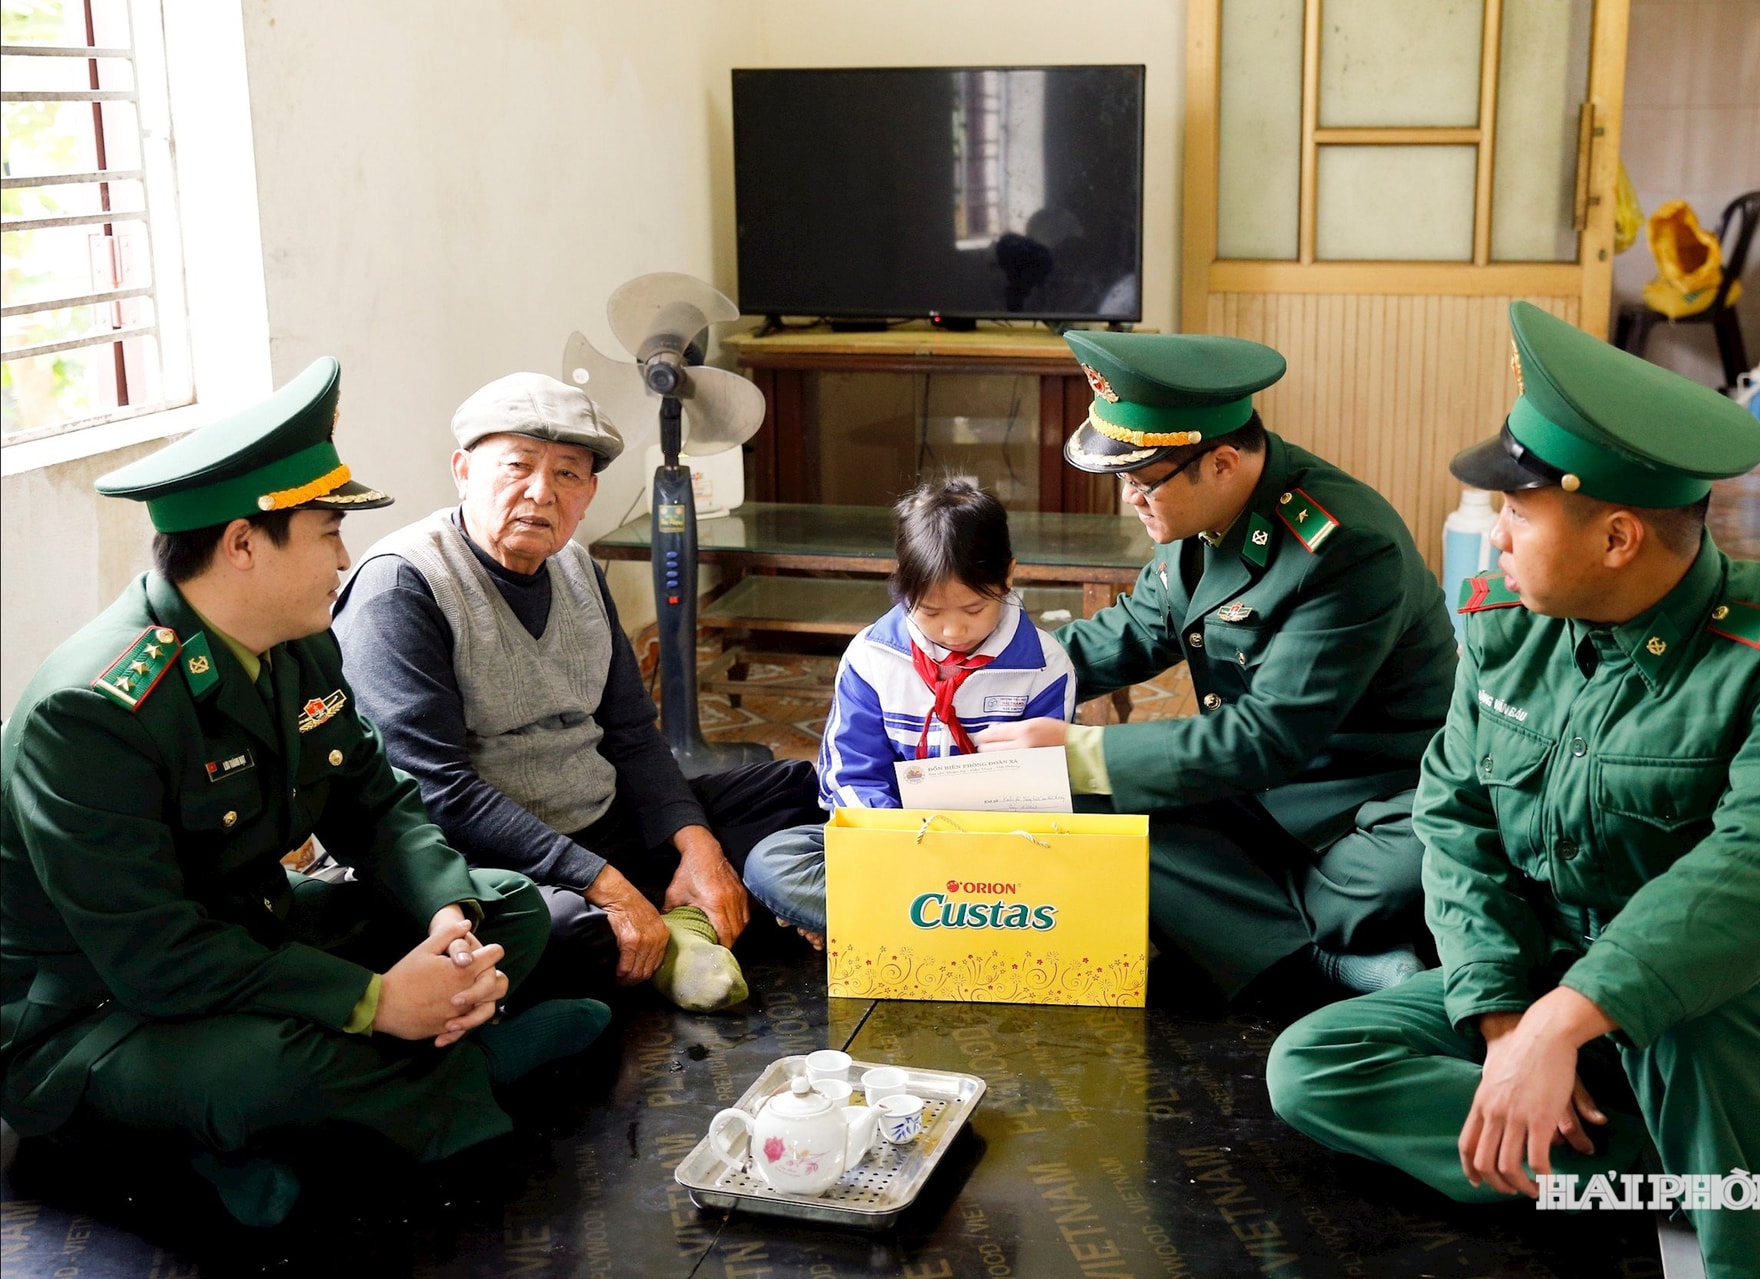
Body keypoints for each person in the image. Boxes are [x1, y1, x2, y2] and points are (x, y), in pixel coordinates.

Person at [1268, 303, 1760, 1278]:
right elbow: (1458, 820)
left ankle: (1727, 1240)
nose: (1496, 535)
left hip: (1751, 974)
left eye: (1518, 510)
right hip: (1548, 958)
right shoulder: (1508, 625)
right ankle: (1702, 1188)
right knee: (1311, 1068)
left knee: (1701, 1014)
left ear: (1620, 537)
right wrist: (1509, 1021)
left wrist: (1569, 1016)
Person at [0, 358, 608, 1229]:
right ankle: (465, 1073)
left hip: (252, 930)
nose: (344, 557)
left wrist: (445, 923)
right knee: (259, 1069)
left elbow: (377, 800)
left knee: (505, 908)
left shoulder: (292, 640)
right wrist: (377, 1001)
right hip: (98, 1012)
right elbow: (158, 958)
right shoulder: (91, 711)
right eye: (326, 533)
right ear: (245, 543)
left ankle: (307, 1117)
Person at [975, 330, 1458, 998]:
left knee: (1414, 868)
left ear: (1224, 463)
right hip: (1254, 791)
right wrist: (985, 676)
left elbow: (1269, 736)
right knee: (1088, 800)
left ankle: (1273, 941)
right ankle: (1326, 954)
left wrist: (1081, 749)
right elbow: (1133, 632)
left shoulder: (1346, 547)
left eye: (1142, 484)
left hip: (1365, 805)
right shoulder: (1194, 519)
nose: (1129, 501)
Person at [331, 372, 819, 1011]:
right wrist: (605, 885)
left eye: (568, 474)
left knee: (797, 790)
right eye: (518, 467)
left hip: (603, 822)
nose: (541, 493)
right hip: (500, 861)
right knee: (562, 935)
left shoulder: (578, 567)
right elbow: (435, 790)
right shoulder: (401, 587)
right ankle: (687, 921)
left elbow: (632, 734)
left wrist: (697, 848)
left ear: (589, 492)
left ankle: (680, 914)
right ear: (463, 471)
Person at [741, 479, 1078, 945]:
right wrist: (904, 844)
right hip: (892, 843)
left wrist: (971, 854)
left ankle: (879, 924)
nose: (954, 629)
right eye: (931, 611)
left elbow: (1043, 792)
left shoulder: (1045, 665)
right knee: (774, 859)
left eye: (975, 608)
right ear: (901, 581)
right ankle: (960, 929)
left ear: (1009, 576)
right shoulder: (873, 657)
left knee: (1084, 864)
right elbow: (851, 775)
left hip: (998, 850)